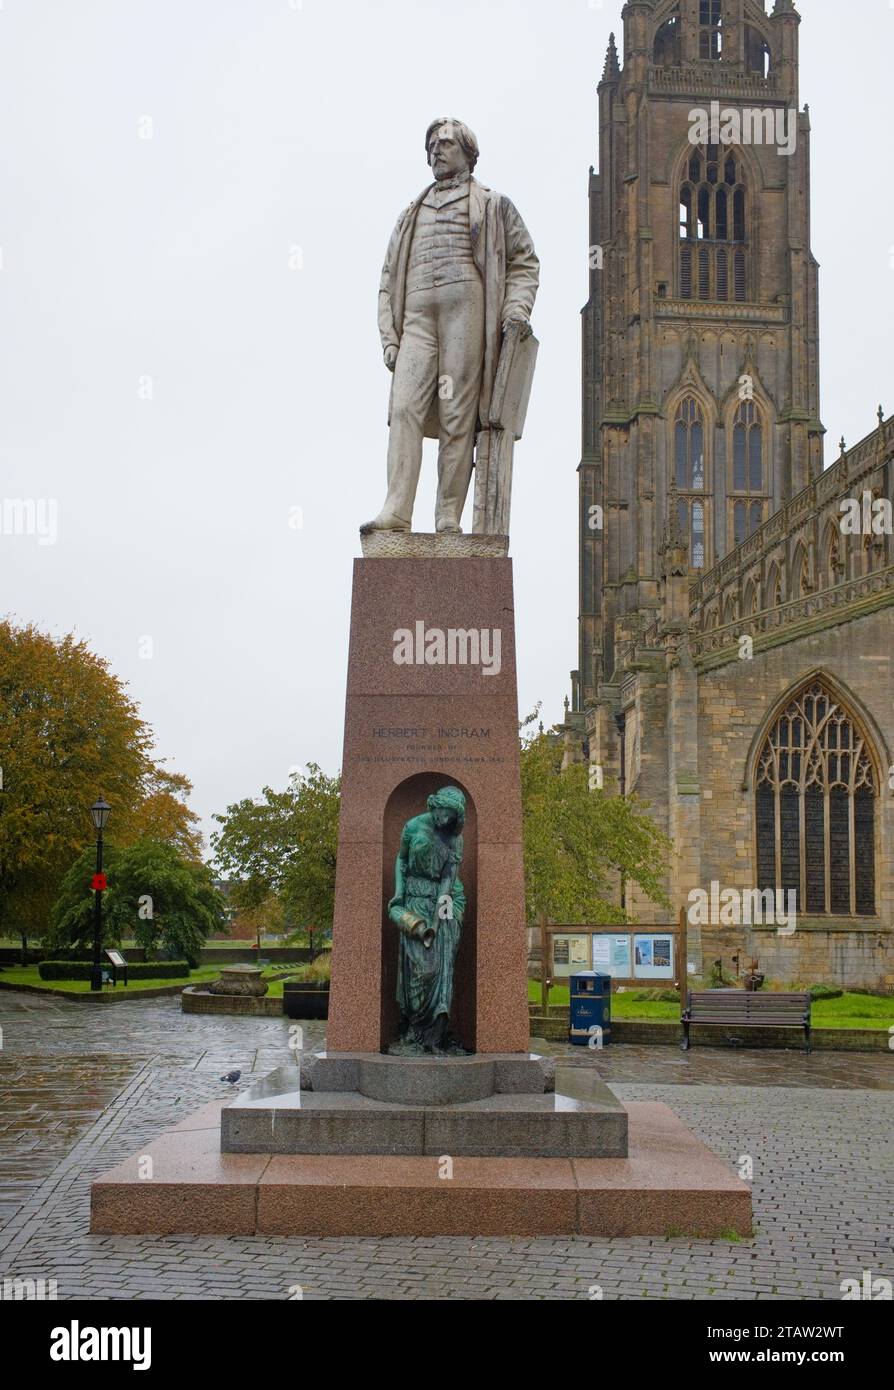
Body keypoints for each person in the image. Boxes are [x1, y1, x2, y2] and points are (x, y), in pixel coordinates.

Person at [388, 785, 467, 1051]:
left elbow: (448, 878)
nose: (446, 820)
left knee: (439, 967)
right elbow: (401, 861)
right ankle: (412, 1027)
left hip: (440, 901)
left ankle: (434, 1034)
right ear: (436, 804)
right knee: (419, 970)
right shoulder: (412, 827)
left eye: (452, 816)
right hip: (413, 899)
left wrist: (438, 920)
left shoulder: (455, 838)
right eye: (445, 812)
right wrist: (399, 895)